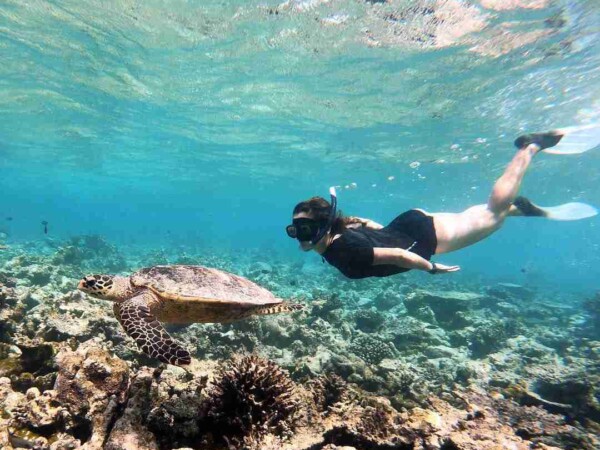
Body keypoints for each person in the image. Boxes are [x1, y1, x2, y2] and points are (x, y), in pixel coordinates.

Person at [286, 130, 598, 279]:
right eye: (295, 229)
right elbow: (369, 226)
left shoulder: (342, 248)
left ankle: (530, 148)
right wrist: (390, 234)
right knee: (479, 216)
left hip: (424, 239)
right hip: (410, 225)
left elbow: (396, 254)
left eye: (306, 227)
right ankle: (521, 208)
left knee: (492, 214)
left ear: (324, 224)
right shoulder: (339, 234)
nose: (300, 234)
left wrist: (430, 267)